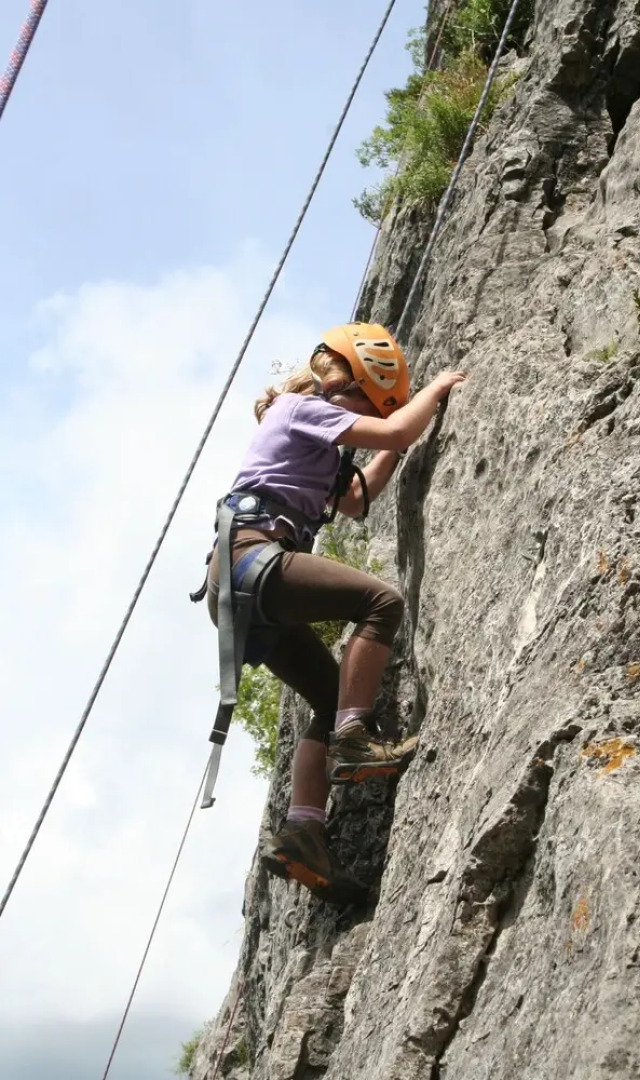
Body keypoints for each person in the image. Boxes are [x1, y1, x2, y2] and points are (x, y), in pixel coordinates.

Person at [207, 322, 465, 904]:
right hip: (253, 557)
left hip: (239, 587)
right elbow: (395, 427)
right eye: (364, 403)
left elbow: (357, 499)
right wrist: (436, 391)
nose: (360, 419)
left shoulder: (313, 444)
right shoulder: (306, 408)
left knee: (327, 699)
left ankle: (304, 833)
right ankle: (353, 735)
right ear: (345, 384)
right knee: (381, 602)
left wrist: (399, 444)